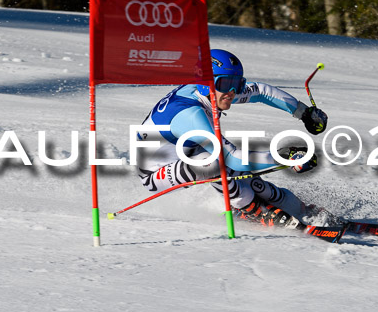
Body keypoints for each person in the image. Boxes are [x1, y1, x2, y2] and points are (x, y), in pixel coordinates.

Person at [135, 49, 329, 229]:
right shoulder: (190, 114)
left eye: (237, 84)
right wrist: (284, 157)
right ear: (206, 83)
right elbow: (231, 158)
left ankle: (300, 209)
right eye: (226, 84)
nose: (232, 92)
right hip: (155, 174)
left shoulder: (215, 91)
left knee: (254, 183)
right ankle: (251, 209)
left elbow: (261, 91)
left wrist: (304, 113)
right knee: (213, 164)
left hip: (188, 152)